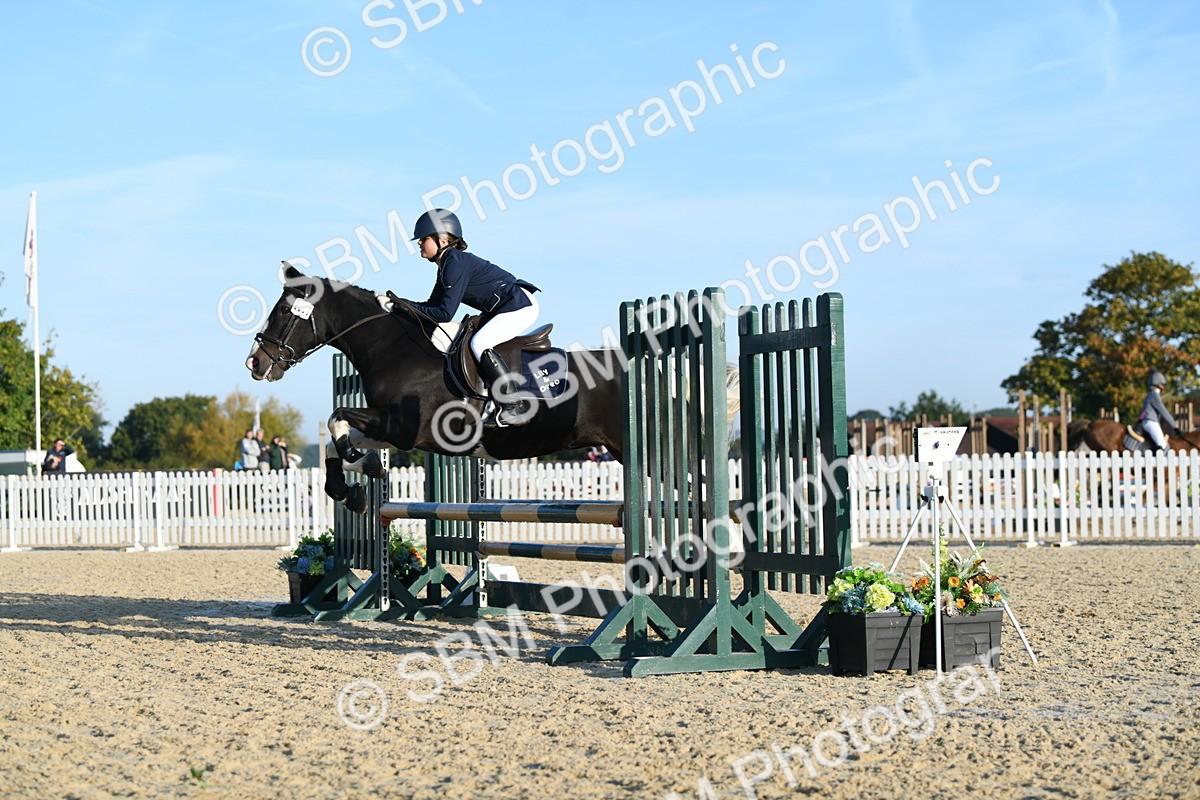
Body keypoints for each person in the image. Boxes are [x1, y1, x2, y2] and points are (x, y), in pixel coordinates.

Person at [396, 209, 540, 428]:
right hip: (505, 306)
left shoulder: (455, 262)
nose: (419, 244)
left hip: (519, 305)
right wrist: (402, 305)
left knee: (479, 343)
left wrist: (407, 308)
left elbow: (444, 314)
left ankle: (513, 405)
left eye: (423, 239)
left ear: (442, 239)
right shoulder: (447, 265)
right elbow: (431, 306)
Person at [1139, 370, 1180, 452]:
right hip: (1151, 423)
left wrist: (1140, 420)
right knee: (1163, 446)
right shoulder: (1155, 395)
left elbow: (1145, 412)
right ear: (1159, 385)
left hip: (1146, 422)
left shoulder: (1149, 395)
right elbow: (1163, 411)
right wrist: (1174, 426)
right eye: (1163, 385)